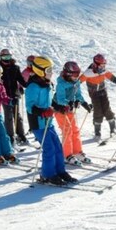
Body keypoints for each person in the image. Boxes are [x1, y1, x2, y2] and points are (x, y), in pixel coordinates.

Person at [25, 56, 76, 185]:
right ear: (39, 70)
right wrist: (43, 112)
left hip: (48, 122)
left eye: (51, 70)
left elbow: (51, 102)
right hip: (38, 124)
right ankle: (47, 175)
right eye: (48, 70)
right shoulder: (33, 87)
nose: (51, 72)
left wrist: (59, 107)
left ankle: (60, 171)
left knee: (58, 147)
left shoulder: (48, 84)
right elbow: (30, 107)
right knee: (49, 148)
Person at [53, 61, 93, 166]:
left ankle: (77, 152)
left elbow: (78, 95)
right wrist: (70, 102)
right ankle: (67, 155)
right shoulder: (61, 84)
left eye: (78, 74)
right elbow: (61, 99)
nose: (77, 76)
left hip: (69, 109)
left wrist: (85, 104)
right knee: (67, 130)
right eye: (75, 74)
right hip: (60, 109)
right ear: (68, 73)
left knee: (75, 130)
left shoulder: (76, 82)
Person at [79, 53, 116, 141]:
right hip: (94, 93)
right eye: (101, 65)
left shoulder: (103, 70)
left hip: (103, 91)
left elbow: (111, 77)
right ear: (96, 64)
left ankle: (113, 129)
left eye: (104, 65)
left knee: (107, 109)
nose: (103, 67)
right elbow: (78, 82)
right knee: (98, 111)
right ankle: (97, 132)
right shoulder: (88, 73)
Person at [0, 49, 28, 145]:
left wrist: (28, 84)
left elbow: (21, 80)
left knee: (17, 115)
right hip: (4, 96)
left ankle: (21, 134)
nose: (6, 60)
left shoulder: (15, 68)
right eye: (4, 57)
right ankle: (10, 136)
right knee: (8, 116)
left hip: (14, 95)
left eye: (8, 57)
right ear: (0, 58)